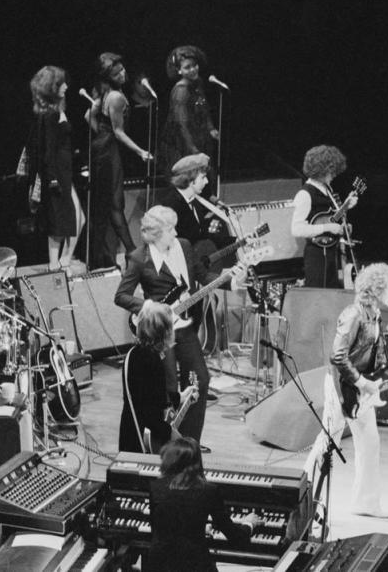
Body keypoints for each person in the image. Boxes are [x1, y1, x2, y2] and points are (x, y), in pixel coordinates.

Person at [114, 206, 221, 448]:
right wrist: (150, 305)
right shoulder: (139, 258)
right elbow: (121, 296)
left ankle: (189, 441)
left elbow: (203, 276)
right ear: (156, 234)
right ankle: (166, 440)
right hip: (161, 329)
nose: (175, 233)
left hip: (184, 326)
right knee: (168, 386)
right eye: (170, 229)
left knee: (200, 379)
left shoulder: (183, 246)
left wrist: (232, 280)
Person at [309, 263, 388, 518]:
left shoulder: (373, 315)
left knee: (370, 443)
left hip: (359, 388)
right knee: (328, 441)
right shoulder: (353, 315)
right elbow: (337, 356)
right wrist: (362, 383)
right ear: (376, 290)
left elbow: (378, 359)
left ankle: (366, 503)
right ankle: (304, 496)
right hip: (342, 386)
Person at [145, 437, 259, 572]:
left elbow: (159, 530)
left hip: (158, 565)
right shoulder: (209, 491)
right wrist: (249, 524)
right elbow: (235, 538)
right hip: (194, 565)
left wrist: (195, 528)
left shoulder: (156, 487)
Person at [86, 52, 152, 269]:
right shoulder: (116, 97)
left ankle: (110, 254)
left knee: (109, 205)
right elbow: (119, 132)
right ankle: (131, 252)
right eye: (118, 72)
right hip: (108, 151)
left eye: (123, 69)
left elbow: (89, 117)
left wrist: (100, 133)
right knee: (115, 204)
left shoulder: (107, 94)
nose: (123, 73)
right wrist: (140, 151)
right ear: (110, 76)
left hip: (103, 148)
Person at [27, 65, 84, 271]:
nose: (66, 86)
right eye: (61, 83)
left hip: (64, 173)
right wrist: (52, 179)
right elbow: (47, 151)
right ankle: (57, 264)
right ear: (52, 87)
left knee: (72, 219)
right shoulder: (49, 115)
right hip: (58, 174)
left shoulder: (53, 112)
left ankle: (62, 262)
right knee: (60, 222)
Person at [290, 145, 358, 288]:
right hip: (316, 257)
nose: (334, 175)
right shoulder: (305, 194)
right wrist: (327, 227)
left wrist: (346, 206)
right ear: (320, 171)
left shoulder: (328, 189)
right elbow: (296, 229)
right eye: (330, 171)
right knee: (318, 298)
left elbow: (330, 217)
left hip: (332, 253)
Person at [158, 45, 219, 199]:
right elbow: (181, 124)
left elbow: (204, 107)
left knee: (205, 178)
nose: (193, 70)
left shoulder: (197, 82)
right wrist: (193, 149)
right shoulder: (180, 91)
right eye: (187, 67)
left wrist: (211, 128)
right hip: (180, 144)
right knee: (188, 184)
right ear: (179, 70)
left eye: (194, 65)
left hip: (196, 136)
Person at [119, 302, 180, 454]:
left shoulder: (132, 354)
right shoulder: (153, 362)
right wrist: (171, 433)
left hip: (129, 430)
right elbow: (152, 414)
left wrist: (180, 397)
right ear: (164, 332)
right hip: (145, 441)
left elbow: (149, 397)